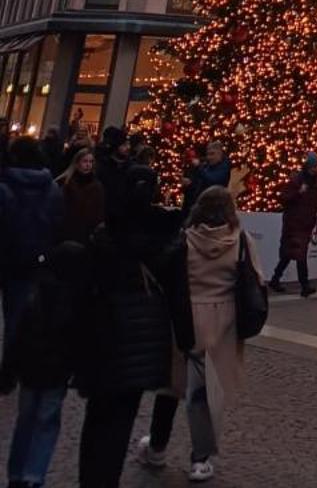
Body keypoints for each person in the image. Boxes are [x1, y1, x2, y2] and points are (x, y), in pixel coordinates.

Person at [73, 167, 190, 488]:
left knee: (96, 417)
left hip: (104, 332)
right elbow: (180, 297)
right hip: (144, 340)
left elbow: (85, 287)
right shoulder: (168, 235)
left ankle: (91, 480)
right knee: (121, 419)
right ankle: (105, 479)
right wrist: (186, 340)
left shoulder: (105, 231)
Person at [136, 185, 261, 481]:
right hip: (224, 320)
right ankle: (200, 459)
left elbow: (167, 276)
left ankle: (157, 446)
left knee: (170, 388)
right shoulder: (241, 240)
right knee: (206, 393)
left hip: (185, 316)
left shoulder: (185, 240)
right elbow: (257, 279)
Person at [0, 237, 89, 488]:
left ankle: (17, 474)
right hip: (56, 374)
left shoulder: (34, 296)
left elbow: (17, 338)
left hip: (30, 371)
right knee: (46, 422)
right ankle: (33, 476)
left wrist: (8, 372)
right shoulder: (76, 304)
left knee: (26, 419)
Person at [0, 140, 63, 346]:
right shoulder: (52, 188)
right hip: (33, 259)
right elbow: (56, 223)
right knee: (17, 316)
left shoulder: (5, 185)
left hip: (7, 256)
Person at [268, 154, 317, 297]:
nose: (315, 169)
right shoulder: (297, 180)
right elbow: (283, 198)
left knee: (289, 253)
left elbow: (316, 199)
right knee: (300, 254)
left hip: (305, 223)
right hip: (294, 223)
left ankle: (275, 279)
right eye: (313, 166)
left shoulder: (315, 182)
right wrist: (298, 193)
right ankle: (304, 285)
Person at [58, 147, 108, 245]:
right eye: (85, 161)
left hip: (86, 233)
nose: (88, 165)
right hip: (66, 231)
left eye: (91, 161)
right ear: (77, 163)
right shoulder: (66, 183)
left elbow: (99, 211)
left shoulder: (97, 186)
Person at [182, 141, 232, 214]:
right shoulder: (206, 165)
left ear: (220, 154)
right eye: (208, 154)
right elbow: (199, 183)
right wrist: (189, 183)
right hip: (199, 207)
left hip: (213, 209)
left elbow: (213, 181)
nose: (209, 157)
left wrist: (199, 167)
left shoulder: (224, 167)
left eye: (212, 154)